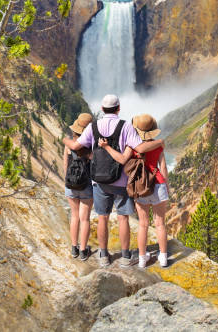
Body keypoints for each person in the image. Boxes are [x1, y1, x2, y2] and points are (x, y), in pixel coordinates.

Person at [63, 94, 164, 268]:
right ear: (118, 108)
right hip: (121, 181)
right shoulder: (125, 126)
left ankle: (103, 255)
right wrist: (161, 142)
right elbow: (140, 148)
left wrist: (64, 138)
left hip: (99, 181)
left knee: (102, 218)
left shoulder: (93, 126)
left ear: (102, 109)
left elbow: (75, 146)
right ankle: (125, 256)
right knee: (123, 218)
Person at [99, 114, 169, 268]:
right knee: (160, 223)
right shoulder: (158, 145)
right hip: (158, 184)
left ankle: (143, 259)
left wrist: (106, 147)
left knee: (143, 224)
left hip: (140, 187)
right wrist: (167, 188)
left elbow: (122, 160)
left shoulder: (132, 147)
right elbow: (163, 168)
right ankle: (163, 258)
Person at [63, 112, 93, 261]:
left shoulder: (69, 146)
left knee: (74, 216)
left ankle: (73, 248)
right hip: (87, 186)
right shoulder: (90, 146)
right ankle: (83, 251)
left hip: (71, 184)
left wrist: (68, 181)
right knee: (85, 219)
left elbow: (65, 166)